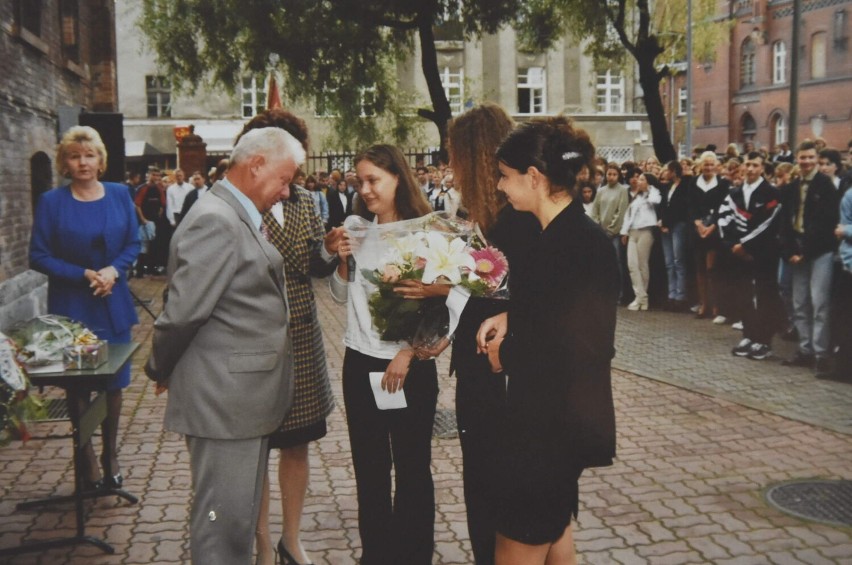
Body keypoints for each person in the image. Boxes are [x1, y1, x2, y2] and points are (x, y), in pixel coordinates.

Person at [144, 127, 304, 565]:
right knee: (222, 526)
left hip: (239, 402)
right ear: (255, 166)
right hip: (224, 402)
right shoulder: (217, 219)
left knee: (235, 521)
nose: (287, 193)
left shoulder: (232, 213)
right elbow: (183, 313)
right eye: (284, 179)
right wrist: (160, 368)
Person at [394, 103, 539, 565]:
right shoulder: (477, 214)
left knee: (493, 481)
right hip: (478, 360)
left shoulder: (515, 215)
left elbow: (515, 289)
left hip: (501, 363)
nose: (449, 164)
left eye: (454, 154)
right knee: (483, 477)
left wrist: (445, 284)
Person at [476, 116, 618, 565]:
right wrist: (510, 313)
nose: (499, 186)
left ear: (534, 178)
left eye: (505, 176)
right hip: (548, 425)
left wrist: (505, 354)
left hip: (547, 432)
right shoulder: (554, 236)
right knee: (556, 542)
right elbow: (553, 312)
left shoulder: (579, 243)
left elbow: (585, 346)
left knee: (518, 543)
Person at [235, 110, 340, 565]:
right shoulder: (234, 202)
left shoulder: (303, 201)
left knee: (297, 443)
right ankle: (260, 543)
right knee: (256, 446)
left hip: (301, 333)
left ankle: (290, 539)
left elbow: (312, 267)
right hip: (253, 341)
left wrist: (329, 251)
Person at [331, 145, 438, 565]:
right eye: (361, 181)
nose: (366, 189)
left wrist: (407, 352)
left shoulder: (424, 233)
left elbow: (440, 304)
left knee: (412, 468)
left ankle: (413, 556)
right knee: (371, 470)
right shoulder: (359, 230)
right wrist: (341, 262)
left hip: (406, 367)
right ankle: (376, 554)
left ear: (399, 178)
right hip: (360, 363)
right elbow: (340, 297)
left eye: (374, 179)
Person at [29, 125, 140, 490]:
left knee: (113, 383)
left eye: (89, 155)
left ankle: (111, 454)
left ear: (100, 159)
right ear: (65, 162)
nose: (83, 163)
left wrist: (113, 270)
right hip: (73, 308)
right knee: (78, 387)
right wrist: (83, 274)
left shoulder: (121, 195)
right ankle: (86, 456)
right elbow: (38, 255)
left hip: (111, 302)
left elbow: (133, 243)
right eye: (75, 156)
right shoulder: (52, 203)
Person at [778, 141, 840, 375]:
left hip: (819, 251)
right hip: (796, 251)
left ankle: (821, 353)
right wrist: (790, 251)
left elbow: (826, 222)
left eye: (810, 158)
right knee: (799, 302)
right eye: (802, 158)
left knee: (819, 303)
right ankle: (805, 349)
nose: (806, 162)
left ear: (816, 159)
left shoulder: (826, 186)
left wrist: (805, 251)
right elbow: (785, 222)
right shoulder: (792, 187)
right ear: (797, 159)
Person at [717, 152, 784, 361]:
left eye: (755, 165)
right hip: (738, 255)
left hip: (763, 255)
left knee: (764, 297)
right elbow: (723, 219)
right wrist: (733, 246)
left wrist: (746, 246)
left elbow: (768, 223)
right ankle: (749, 335)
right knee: (743, 294)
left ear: (762, 168)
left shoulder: (771, 193)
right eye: (748, 164)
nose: (751, 169)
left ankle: (764, 341)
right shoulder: (733, 193)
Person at [688, 151, 731, 320]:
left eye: (711, 164)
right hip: (698, 229)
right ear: (701, 166)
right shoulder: (693, 183)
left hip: (714, 230)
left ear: (716, 166)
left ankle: (716, 305)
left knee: (711, 269)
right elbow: (690, 205)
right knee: (699, 269)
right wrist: (697, 223)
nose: (708, 167)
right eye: (705, 164)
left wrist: (712, 225)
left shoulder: (723, 184)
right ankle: (703, 303)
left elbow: (723, 206)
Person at [620, 173, 662, 311]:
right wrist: (624, 231)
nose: (639, 181)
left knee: (642, 264)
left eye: (642, 179)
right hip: (632, 231)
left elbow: (655, 201)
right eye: (639, 179)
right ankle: (641, 297)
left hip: (646, 231)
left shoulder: (653, 193)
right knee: (632, 264)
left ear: (648, 182)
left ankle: (641, 300)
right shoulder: (636, 197)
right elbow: (629, 215)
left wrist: (649, 189)